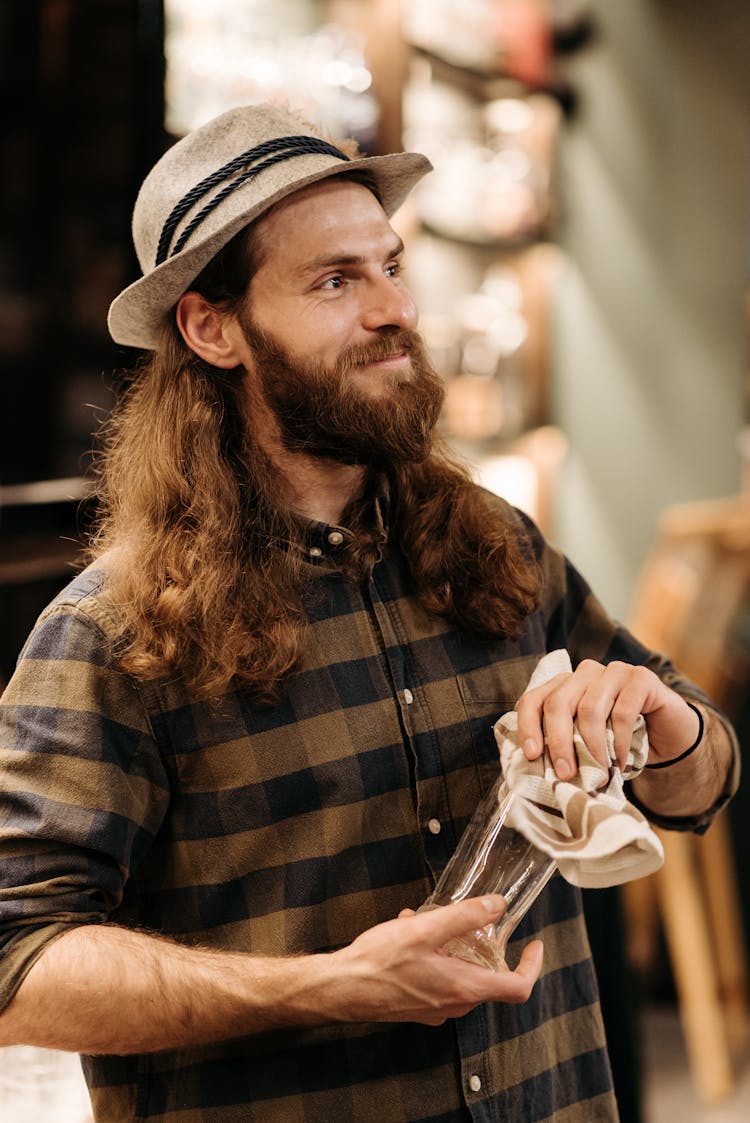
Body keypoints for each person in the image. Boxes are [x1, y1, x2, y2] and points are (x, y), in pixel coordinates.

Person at [0, 103, 738, 1123]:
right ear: (214, 329)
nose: (395, 308)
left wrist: (666, 721)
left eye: (391, 264)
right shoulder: (111, 635)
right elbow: (17, 963)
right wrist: (324, 984)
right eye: (335, 280)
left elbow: (704, 778)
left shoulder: (500, 545)